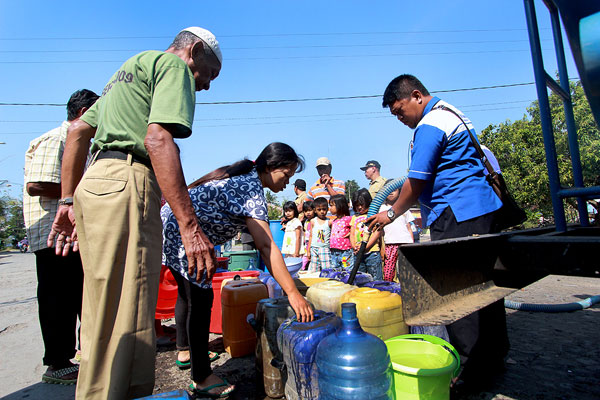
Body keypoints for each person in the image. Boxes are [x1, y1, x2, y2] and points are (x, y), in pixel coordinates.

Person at [47, 27, 223, 399]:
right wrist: (190, 227)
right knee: (128, 310)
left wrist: (67, 201)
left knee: (101, 308)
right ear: (193, 51)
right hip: (129, 180)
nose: (206, 85)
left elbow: (79, 131)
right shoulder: (172, 67)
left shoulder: (129, 69)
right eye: (210, 73)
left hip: (95, 183)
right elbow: (158, 139)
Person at [367, 74, 507, 394]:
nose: (400, 119)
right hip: (480, 211)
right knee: (486, 288)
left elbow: (416, 182)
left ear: (416, 96)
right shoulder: (451, 114)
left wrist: (388, 214)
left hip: (458, 214)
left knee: (458, 293)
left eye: (400, 111)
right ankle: (494, 357)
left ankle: (470, 370)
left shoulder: (431, 123)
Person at [161, 142, 313, 397]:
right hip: (180, 232)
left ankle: (186, 350)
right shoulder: (251, 190)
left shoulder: (245, 177)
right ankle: (201, 377)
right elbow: (266, 246)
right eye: (286, 175)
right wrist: (293, 294)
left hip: (170, 226)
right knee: (200, 298)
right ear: (270, 167)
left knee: (188, 296)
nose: (287, 182)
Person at [23, 89, 98, 386]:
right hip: (55, 233)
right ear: (83, 114)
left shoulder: (80, 142)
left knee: (80, 294)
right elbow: (36, 185)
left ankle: (82, 354)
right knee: (58, 298)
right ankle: (57, 363)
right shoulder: (59, 138)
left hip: (72, 234)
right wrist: (84, 193)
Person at [378, 180, 414, 281]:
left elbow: (409, 227)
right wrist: (382, 248)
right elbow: (380, 231)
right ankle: (390, 290)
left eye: (394, 189)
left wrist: (412, 243)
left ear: (399, 191)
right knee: (388, 272)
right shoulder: (381, 209)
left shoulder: (404, 207)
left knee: (406, 270)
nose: (391, 192)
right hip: (390, 243)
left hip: (406, 243)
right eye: (388, 189)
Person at [350, 189, 383, 280]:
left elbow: (377, 233)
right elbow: (352, 234)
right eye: (357, 205)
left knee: (376, 279)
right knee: (360, 279)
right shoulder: (354, 217)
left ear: (368, 202)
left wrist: (366, 247)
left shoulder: (374, 216)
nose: (359, 207)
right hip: (358, 253)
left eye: (361, 204)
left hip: (372, 252)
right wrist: (354, 246)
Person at [306, 197, 332, 272]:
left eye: (324, 209)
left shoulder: (329, 222)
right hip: (314, 249)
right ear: (315, 210)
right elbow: (311, 236)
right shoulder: (313, 221)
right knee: (313, 269)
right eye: (319, 210)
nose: (322, 212)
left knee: (327, 269)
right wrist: (308, 251)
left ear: (327, 209)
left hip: (325, 249)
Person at [328, 194, 354, 269]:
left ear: (340, 205)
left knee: (347, 269)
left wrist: (350, 233)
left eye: (332, 205)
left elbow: (357, 227)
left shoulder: (348, 219)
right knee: (335, 270)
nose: (330, 208)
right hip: (334, 251)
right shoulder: (334, 221)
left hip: (345, 251)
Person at [300, 201, 315, 271]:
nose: (308, 213)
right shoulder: (306, 221)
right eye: (306, 211)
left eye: (310, 210)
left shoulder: (315, 221)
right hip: (306, 245)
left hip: (313, 244)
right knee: (305, 259)